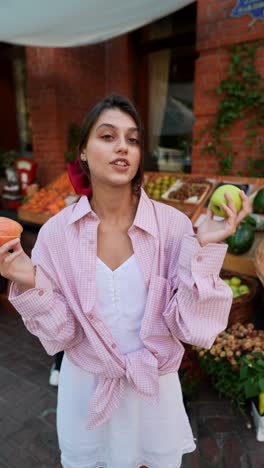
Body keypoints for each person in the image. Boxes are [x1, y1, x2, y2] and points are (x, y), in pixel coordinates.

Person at [0, 94, 250, 468]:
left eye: (132, 140)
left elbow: (190, 327)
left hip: (153, 390)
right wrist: (31, 283)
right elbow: (62, 336)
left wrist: (205, 247)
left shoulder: (174, 226)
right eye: (107, 136)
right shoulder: (56, 234)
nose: (122, 147)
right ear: (82, 151)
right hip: (88, 389)